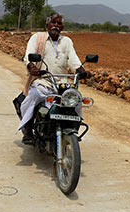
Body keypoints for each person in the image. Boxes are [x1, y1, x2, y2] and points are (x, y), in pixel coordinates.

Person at [17, 13, 88, 144]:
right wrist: (32, 67)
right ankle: (27, 131)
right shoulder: (37, 38)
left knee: (77, 100)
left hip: (62, 83)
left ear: (62, 26)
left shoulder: (67, 41)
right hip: (43, 81)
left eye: (59, 23)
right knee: (32, 98)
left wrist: (81, 70)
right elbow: (29, 56)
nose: (56, 25)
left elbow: (73, 60)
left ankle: (73, 129)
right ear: (47, 24)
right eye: (53, 22)